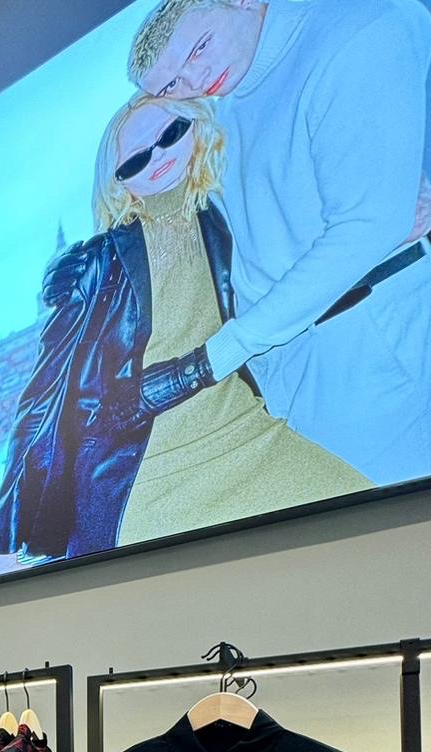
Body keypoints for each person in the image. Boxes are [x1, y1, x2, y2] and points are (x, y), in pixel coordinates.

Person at [0, 95, 367, 565]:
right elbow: (42, 403)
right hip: (145, 472)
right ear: (119, 182)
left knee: (367, 519)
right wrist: (5, 545)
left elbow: (292, 290)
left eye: (170, 134)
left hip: (246, 431)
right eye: (137, 159)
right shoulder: (97, 263)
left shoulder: (225, 214)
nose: (159, 156)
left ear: (195, 130)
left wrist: (381, 236)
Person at [127, 0, 431, 486]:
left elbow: (367, 226)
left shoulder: (355, 29)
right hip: (299, 375)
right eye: (170, 85)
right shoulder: (223, 107)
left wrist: (226, 350)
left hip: (377, 348)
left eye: (199, 47)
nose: (194, 80)